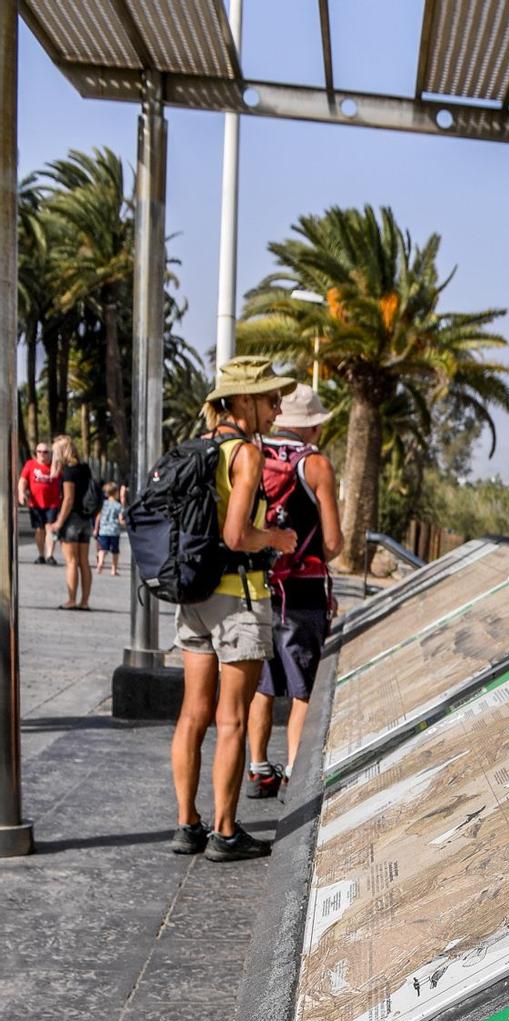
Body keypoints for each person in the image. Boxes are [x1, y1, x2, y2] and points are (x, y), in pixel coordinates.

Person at [168, 355, 297, 861]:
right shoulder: (244, 454)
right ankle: (225, 831)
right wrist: (278, 538)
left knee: (191, 716)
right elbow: (236, 534)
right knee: (233, 720)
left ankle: (187, 824)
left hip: (193, 598)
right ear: (243, 401)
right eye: (269, 398)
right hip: (238, 599)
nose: (277, 406)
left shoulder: (198, 448)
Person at [246, 382, 344, 799]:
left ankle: (257, 769)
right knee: (302, 687)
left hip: (255, 585)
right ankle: (291, 774)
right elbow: (335, 541)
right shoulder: (315, 465)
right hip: (301, 591)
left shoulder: (251, 454)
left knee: (261, 683)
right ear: (312, 428)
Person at [49, 434, 98, 609]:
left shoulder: (69, 472)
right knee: (84, 561)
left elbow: (68, 499)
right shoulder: (85, 468)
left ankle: (71, 600)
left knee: (71, 561)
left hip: (72, 519)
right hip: (86, 518)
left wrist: (59, 522)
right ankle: (84, 601)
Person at [18, 441, 60, 562]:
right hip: (35, 503)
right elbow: (23, 481)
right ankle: (41, 554)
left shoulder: (54, 466)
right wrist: (21, 493)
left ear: (50, 453)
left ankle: (50, 555)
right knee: (39, 530)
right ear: (36, 453)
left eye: (45, 452)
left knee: (50, 528)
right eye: (39, 451)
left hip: (52, 503)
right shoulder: (30, 464)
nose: (42, 454)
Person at [95, 482, 125, 575]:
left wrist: (96, 528)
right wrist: (124, 524)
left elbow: (98, 517)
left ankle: (100, 563)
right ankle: (113, 569)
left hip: (103, 530)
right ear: (116, 493)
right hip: (114, 531)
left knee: (102, 549)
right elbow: (120, 519)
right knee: (115, 551)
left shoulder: (103, 504)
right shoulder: (118, 505)